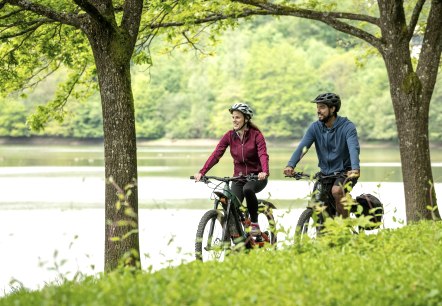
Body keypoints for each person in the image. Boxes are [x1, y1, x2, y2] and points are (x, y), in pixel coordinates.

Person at [194, 103, 269, 235]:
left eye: (238, 117)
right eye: (233, 117)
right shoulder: (229, 136)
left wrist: (264, 171)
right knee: (230, 204)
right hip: (238, 177)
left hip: (256, 177)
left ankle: (255, 224)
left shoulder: (256, 136)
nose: (234, 120)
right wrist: (202, 172)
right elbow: (216, 154)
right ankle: (237, 238)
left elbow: (263, 154)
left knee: (248, 189)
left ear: (246, 119)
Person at [283, 93, 360, 218]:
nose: (318, 110)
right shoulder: (315, 127)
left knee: (337, 191)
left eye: (322, 107)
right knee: (317, 202)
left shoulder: (347, 127)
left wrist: (355, 169)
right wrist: (290, 165)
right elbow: (303, 147)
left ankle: (344, 229)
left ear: (333, 109)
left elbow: (353, 148)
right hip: (325, 173)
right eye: (318, 107)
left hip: (346, 172)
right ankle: (322, 233)